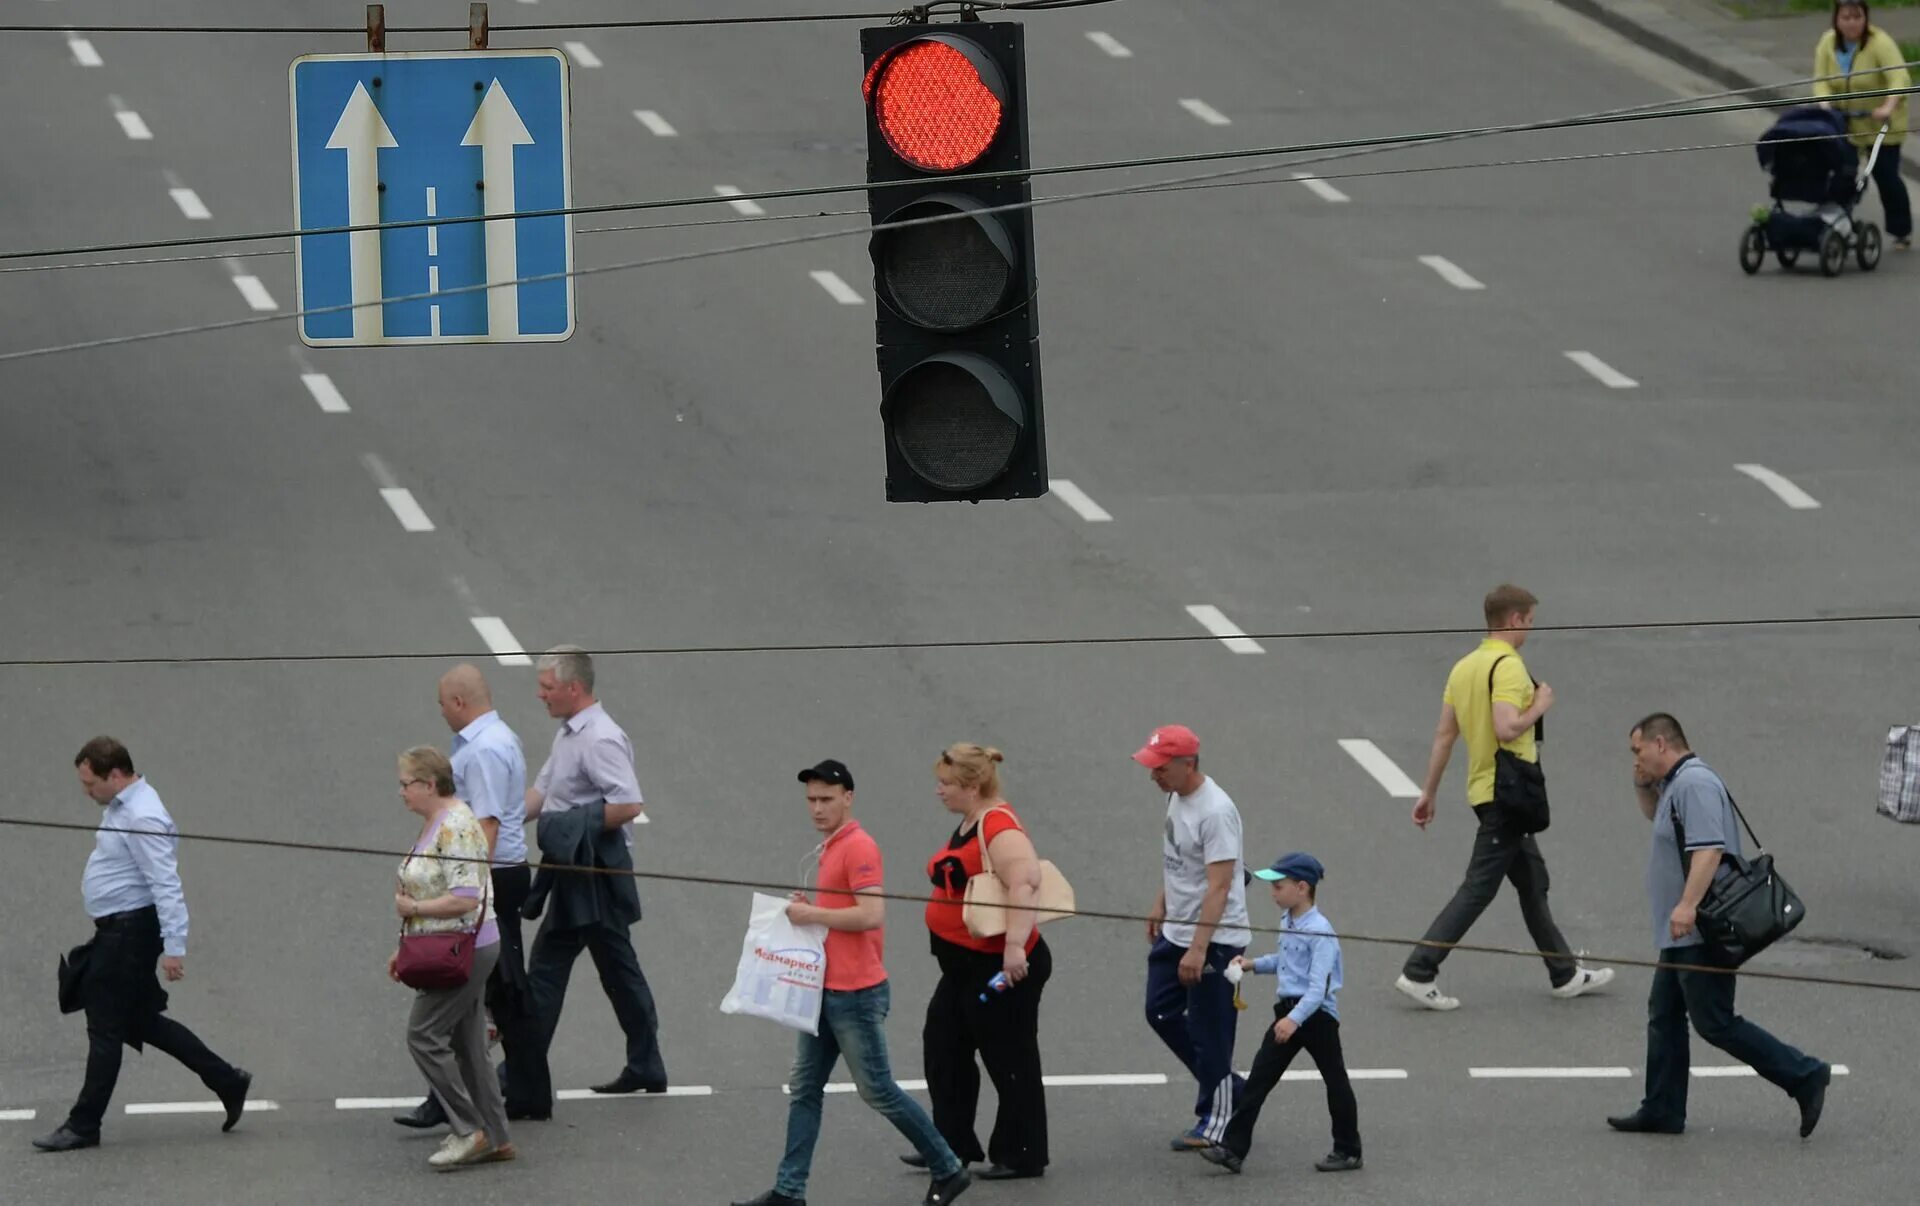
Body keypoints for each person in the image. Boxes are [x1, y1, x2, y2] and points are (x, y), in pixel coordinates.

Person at [734, 761, 971, 1206]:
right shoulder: (831, 846)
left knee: (878, 1090)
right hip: (824, 991)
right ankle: (789, 1190)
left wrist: (813, 914)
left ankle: (949, 1167)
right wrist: (810, 910)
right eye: (811, 800)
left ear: (848, 797)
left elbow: (871, 913)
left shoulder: (859, 848)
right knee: (805, 1089)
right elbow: (841, 911)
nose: (818, 808)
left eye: (827, 799)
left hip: (855, 994)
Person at [1607, 715, 1831, 1138]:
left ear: (1660, 743)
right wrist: (1641, 783)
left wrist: (1687, 906)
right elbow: (1660, 820)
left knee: (1715, 1022)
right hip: (1681, 932)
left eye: (1637, 751)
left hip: (1700, 926)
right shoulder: (1675, 783)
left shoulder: (1695, 784)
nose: (1635, 759)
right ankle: (1662, 1109)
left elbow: (1708, 850)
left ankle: (1805, 1074)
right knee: (1665, 1014)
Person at [1396, 585, 1612, 1011]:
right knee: (1478, 887)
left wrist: (1429, 792)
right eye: (1529, 621)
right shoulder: (1509, 667)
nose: (1530, 629)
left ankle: (1564, 972)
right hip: (1508, 794)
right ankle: (1419, 970)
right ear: (1514, 620)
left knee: (1533, 882)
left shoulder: (1464, 667)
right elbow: (1507, 728)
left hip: (1484, 789)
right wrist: (1542, 703)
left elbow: (1444, 735)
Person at [34, 738, 252, 1152]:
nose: (86, 793)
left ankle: (83, 1124)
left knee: (104, 1027)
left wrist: (175, 945)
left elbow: (166, 883)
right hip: (119, 930)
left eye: (90, 784)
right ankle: (227, 1079)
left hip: (129, 934)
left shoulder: (143, 816)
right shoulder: (122, 806)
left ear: (114, 775)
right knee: (139, 1021)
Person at [396, 665, 544, 1128]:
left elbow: (487, 826)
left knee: (478, 986)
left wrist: (472, 893)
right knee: (498, 989)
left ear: (459, 703)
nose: (440, 712)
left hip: (491, 876)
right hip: (500, 874)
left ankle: (468, 1100)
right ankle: (526, 1090)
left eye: (442, 703)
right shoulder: (499, 737)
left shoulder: (481, 751)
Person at [522, 645, 667, 1096]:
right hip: (574, 868)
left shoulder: (600, 737)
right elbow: (544, 791)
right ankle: (646, 1064)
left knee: (547, 968)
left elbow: (628, 803)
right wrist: (491, 823)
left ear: (574, 687)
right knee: (618, 970)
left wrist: (569, 826)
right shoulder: (569, 734)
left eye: (547, 687)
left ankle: (521, 1072)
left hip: (596, 870)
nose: (540, 695)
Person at [920, 743, 1051, 1180]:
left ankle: (1022, 1153)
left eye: (946, 784)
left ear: (972, 787)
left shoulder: (998, 826)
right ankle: (950, 1145)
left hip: (998, 969)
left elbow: (1027, 882)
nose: (938, 791)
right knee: (944, 1047)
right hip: (962, 968)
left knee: (1009, 1057)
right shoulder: (972, 820)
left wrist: (1015, 947)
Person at [391, 746, 513, 1169]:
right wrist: (406, 941)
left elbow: (464, 898)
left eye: (406, 784)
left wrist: (414, 912)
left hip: (462, 950)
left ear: (429, 785)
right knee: (468, 1044)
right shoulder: (439, 822)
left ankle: (467, 1129)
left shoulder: (456, 827)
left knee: (422, 1035)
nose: (401, 792)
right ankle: (496, 1136)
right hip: (455, 946)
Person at [1200, 853, 1361, 1175]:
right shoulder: (1289, 920)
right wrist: (1253, 965)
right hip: (1289, 1012)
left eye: (1279, 886)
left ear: (1302, 888)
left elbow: (1318, 988)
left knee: (1335, 1081)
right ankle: (1233, 1150)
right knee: (1259, 1080)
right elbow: (1287, 962)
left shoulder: (1320, 931)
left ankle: (1348, 1150)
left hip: (1315, 1017)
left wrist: (1293, 1020)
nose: (1273, 893)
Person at [1133, 724, 1250, 1152]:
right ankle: (1230, 1089)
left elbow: (1219, 886)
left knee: (1210, 1031)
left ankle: (1219, 1119)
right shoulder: (1175, 796)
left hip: (1213, 939)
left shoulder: (1216, 811)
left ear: (1189, 764)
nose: (1154, 775)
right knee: (1160, 1011)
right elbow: (1182, 861)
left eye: (1161, 768)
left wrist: (1199, 949)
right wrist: (1161, 901)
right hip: (1177, 927)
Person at [1814, 1, 1911, 250]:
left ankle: (1901, 230)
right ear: (1836, 19)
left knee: (1885, 176)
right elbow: (1821, 81)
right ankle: (1837, 221)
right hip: (1845, 123)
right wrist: (1825, 105)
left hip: (1881, 124)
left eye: (1857, 17)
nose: (1851, 23)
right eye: (1846, 18)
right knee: (1843, 172)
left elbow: (1899, 77)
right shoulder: (1827, 43)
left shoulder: (1880, 43)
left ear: (1865, 19)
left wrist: (1888, 106)